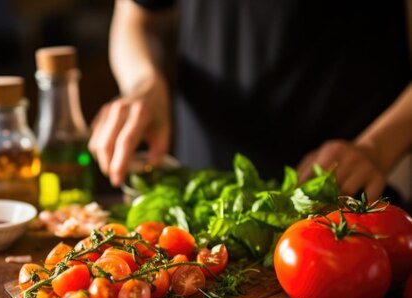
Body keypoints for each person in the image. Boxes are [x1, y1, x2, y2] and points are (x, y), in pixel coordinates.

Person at [89, 0, 412, 201]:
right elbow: (137, 19)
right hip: (201, 195)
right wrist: (144, 83)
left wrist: (376, 148)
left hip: (343, 196)